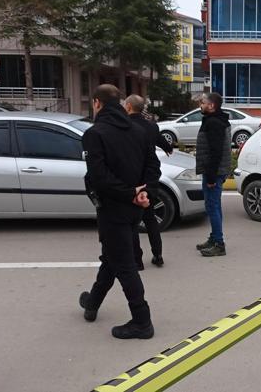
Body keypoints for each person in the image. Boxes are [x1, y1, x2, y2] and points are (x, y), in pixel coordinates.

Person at [78, 84, 161, 340]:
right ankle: (92, 302)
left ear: (97, 104)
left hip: (113, 210)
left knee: (124, 265)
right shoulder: (138, 130)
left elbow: (99, 178)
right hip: (134, 209)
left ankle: (141, 321)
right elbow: (153, 166)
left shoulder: (95, 134)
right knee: (113, 257)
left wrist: (131, 193)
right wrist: (144, 192)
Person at [123, 94, 173, 268]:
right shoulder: (151, 126)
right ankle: (158, 255)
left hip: (132, 178)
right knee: (150, 218)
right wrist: (168, 148)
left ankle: (137, 259)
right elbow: (161, 141)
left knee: (132, 223)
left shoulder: (125, 126)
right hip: (150, 177)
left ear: (128, 107)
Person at [195, 93, 232, 257]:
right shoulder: (216, 120)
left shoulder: (214, 123)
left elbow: (215, 152)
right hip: (216, 171)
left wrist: (210, 177)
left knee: (212, 207)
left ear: (211, 106)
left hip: (214, 172)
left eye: (202, 102)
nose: (200, 105)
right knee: (214, 205)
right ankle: (214, 237)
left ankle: (219, 243)